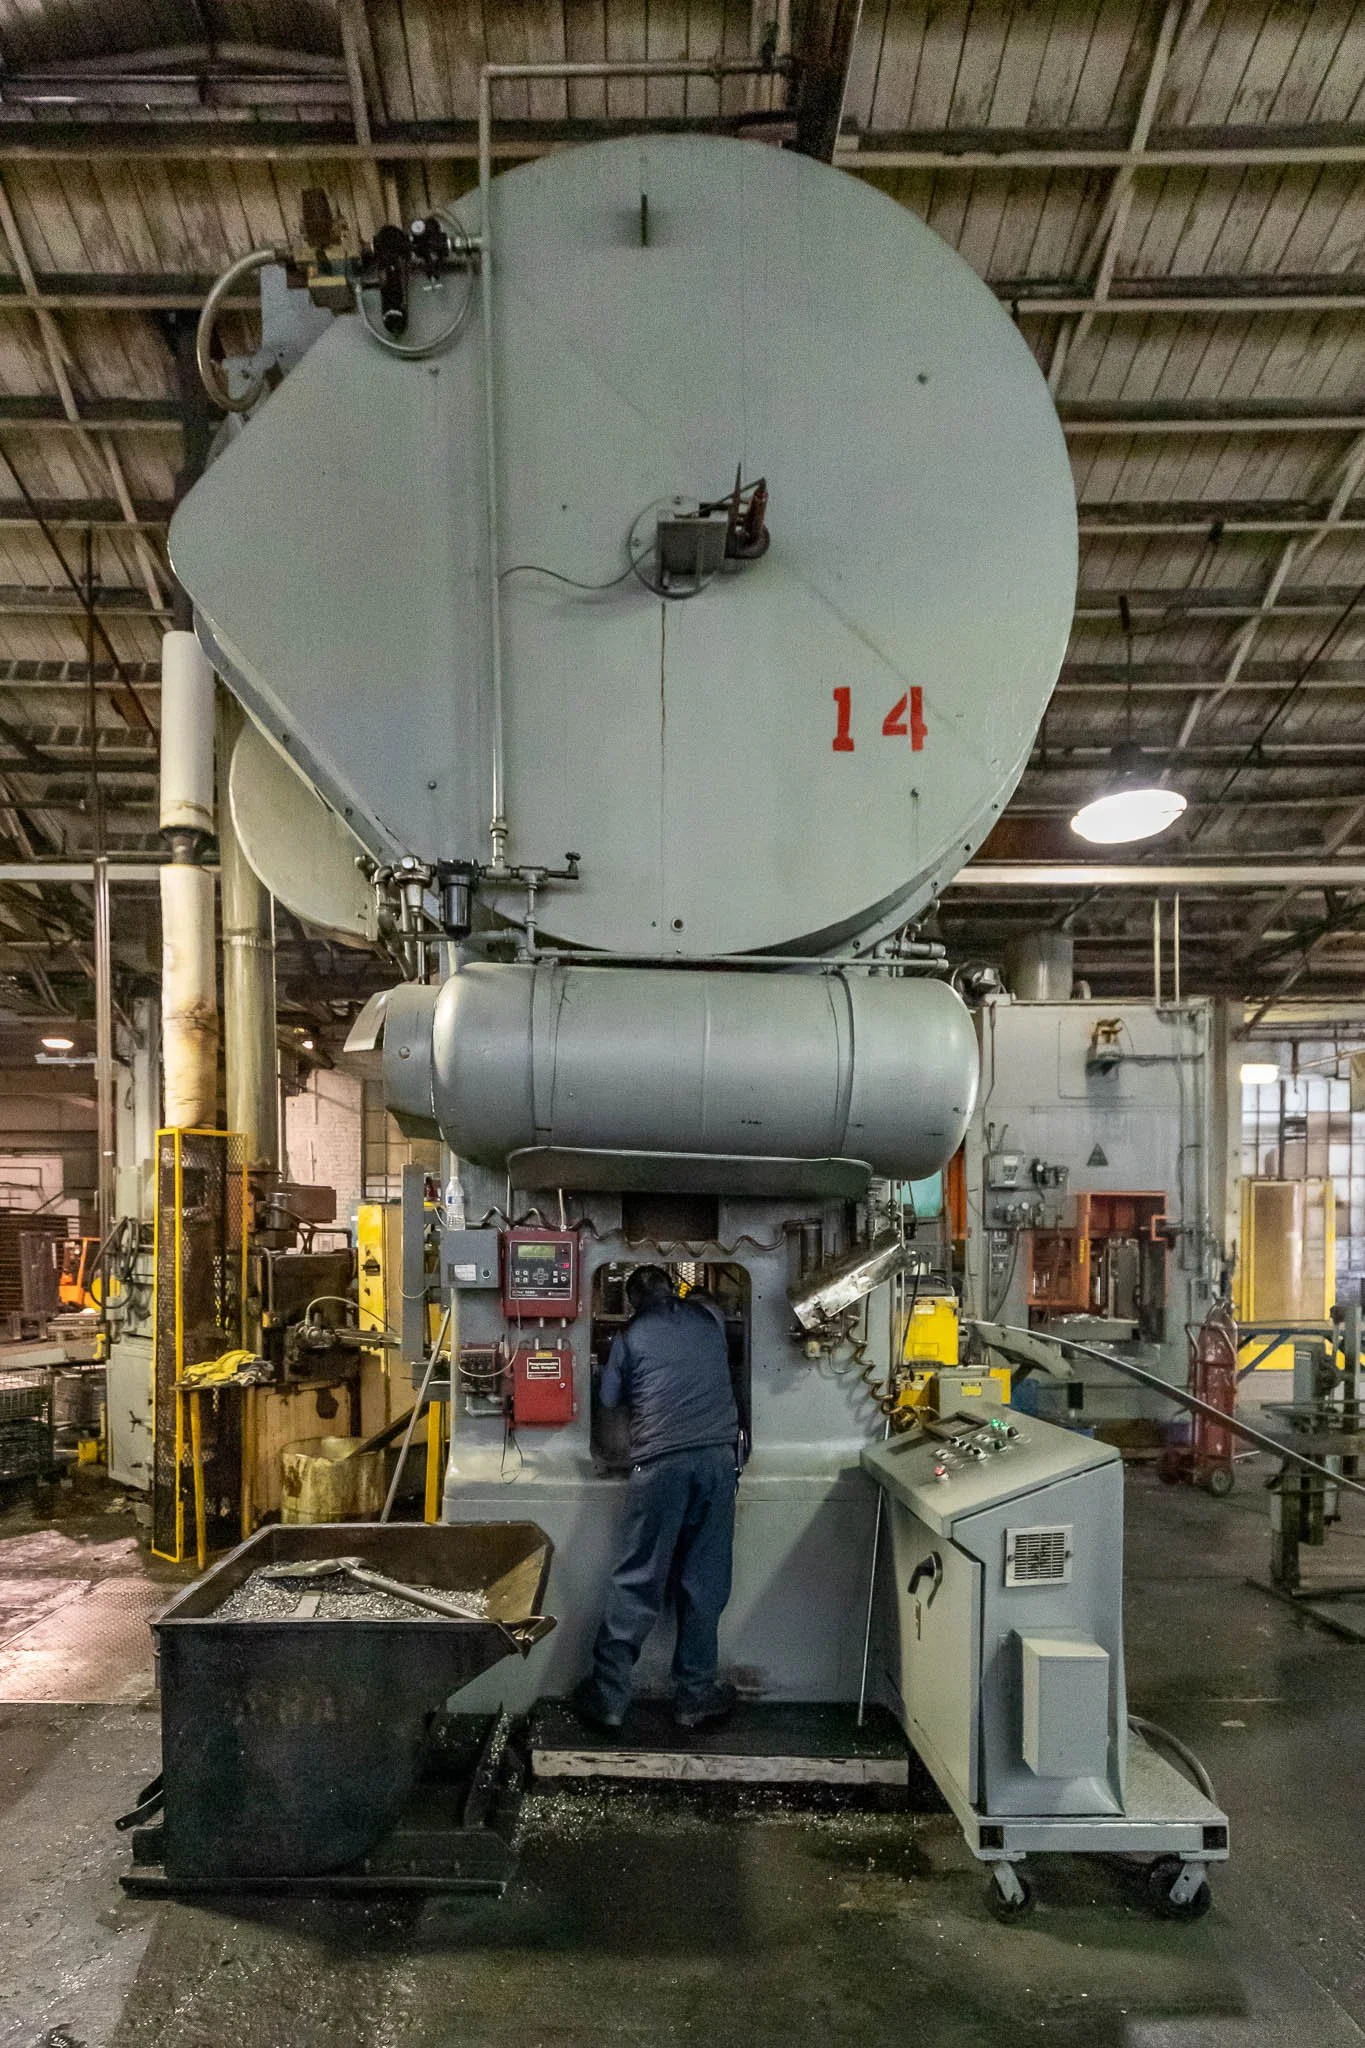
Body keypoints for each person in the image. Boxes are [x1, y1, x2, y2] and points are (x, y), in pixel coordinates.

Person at [572, 1265, 742, 1733]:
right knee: (705, 1582)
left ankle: (608, 1698)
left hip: (661, 1467)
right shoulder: (707, 1321)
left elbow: (608, 1400)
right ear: (674, 1290)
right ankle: (696, 1696)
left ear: (631, 1303)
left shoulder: (629, 1337)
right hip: (716, 1462)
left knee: (638, 1581)